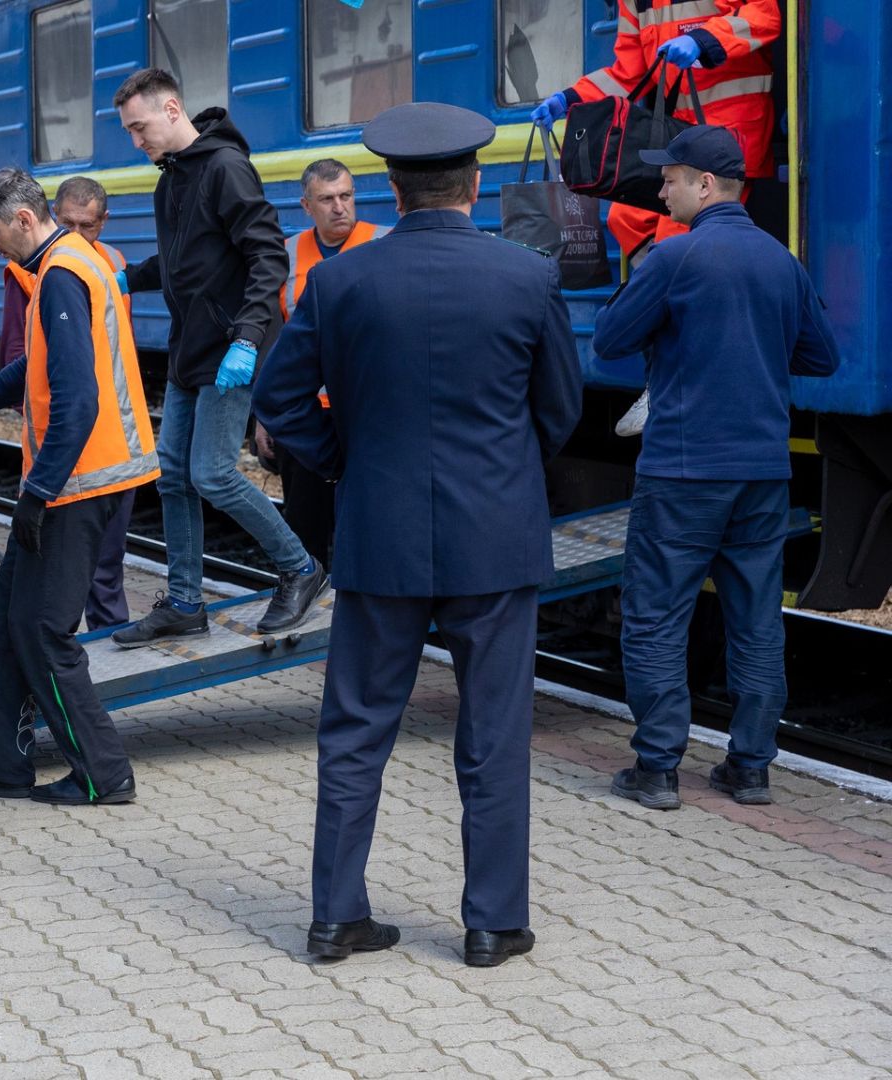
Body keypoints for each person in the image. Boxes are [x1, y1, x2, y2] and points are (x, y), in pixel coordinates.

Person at [254, 103, 583, 968]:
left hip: (381, 533)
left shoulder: (339, 281)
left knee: (356, 728)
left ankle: (335, 917)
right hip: (497, 540)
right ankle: (491, 925)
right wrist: (506, 473)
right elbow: (558, 411)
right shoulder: (527, 277)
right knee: (493, 733)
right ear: (473, 186)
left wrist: (346, 464)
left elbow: (280, 402)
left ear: (391, 192)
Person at [593, 125, 838, 811]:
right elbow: (822, 359)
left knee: (655, 616)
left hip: (682, 471)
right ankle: (751, 768)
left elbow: (610, 340)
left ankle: (658, 769)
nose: (660, 187)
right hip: (762, 471)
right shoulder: (781, 263)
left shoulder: (674, 258)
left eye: (669, 178)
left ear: (705, 185)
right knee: (757, 619)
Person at [0, 168, 158, 807]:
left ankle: (102, 773)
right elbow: (41, 365)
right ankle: (3, 763)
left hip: (79, 482)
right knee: (6, 618)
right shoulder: (72, 261)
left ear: (24, 220)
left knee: (46, 631)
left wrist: (38, 492)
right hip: (71, 480)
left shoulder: (59, 276)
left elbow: (77, 400)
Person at [108, 68, 325, 646]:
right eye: (129, 131)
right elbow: (185, 261)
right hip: (191, 351)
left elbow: (266, 257)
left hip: (232, 347)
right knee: (173, 476)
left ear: (172, 109)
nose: (137, 141)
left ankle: (301, 569)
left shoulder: (225, 168)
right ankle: (183, 602)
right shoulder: (170, 180)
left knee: (212, 473)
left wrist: (249, 338)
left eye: (140, 127)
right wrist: (126, 278)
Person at [531, 1, 780, 260]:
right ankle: (671, 285)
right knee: (627, 218)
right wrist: (570, 99)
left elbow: (764, 14)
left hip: (731, 134)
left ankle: (676, 288)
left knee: (677, 234)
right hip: (681, 136)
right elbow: (628, 72)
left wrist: (703, 40)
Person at [262, 158, 391, 568]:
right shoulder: (286, 255)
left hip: (367, 415)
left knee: (370, 526)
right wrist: (263, 419)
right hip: (306, 420)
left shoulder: (384, 243)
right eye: (327, 199)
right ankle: (308, 609)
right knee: (306, 529)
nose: (339, 207)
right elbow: (275, 340)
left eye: (346, 196)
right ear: (306, 205)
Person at [50, 176, 137, 631]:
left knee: (107, 565)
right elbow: (16, 354)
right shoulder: (34, 267)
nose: (78, 236)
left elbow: (122, 348)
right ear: (52, 215)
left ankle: (108, 663)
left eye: (89, 226)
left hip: (112, 437)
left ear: (104, 222)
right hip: (67, 437)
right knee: (67, 571)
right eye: (68, 224)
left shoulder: (114, 263)